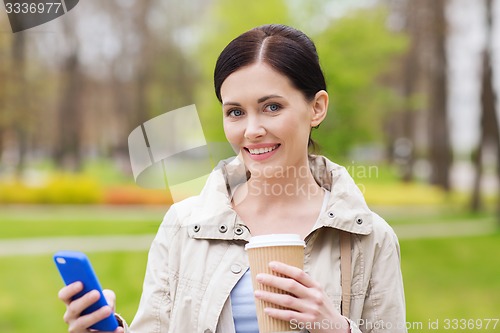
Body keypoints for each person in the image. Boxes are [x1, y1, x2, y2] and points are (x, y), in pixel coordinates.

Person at [58, 24, 406, 333]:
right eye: (235, 112)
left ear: (316, 107)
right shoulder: (183, 225)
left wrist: (335, 329)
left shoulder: (370, 239)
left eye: (272, 107)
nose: (252, 131)